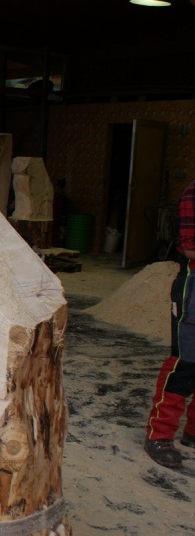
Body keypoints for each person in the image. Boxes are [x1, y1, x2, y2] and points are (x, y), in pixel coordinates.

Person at [144, 178, 195, 468]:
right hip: (193, 285)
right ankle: (160, 434)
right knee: (185, 361)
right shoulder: (193, 193)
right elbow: (190, 248)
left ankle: (193, 432)